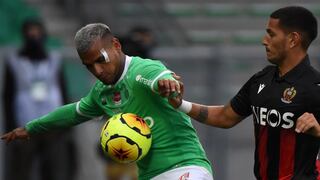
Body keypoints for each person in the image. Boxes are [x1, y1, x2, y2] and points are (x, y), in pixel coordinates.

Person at [1, 23, 213, 180]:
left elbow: (160, 77)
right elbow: (72, 113)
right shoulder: (101, 93)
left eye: (100, 60)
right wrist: (31, 128)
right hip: (149, 175)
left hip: (187, 167)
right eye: (89, 66)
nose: (97, 71)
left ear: (116, 45)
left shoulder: (143, 70)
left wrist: (168, 84)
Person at [160, 6, 320, 180]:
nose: (264, 41)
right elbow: (225, 116)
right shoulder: (261, 79)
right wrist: (180, 104)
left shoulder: (314, 86)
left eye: (271, 34)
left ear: (293, 39)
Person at [2, 18, 77, 180]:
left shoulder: (55, 59)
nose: (34, 36)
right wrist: (10, 125)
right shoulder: (14, 62)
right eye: (30, 32)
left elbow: (63, 91)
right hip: (24, 125)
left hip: (53, 124)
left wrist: (67, 123)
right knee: (20, 170)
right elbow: (8, 96)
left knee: (55, 169)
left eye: (37, 32)